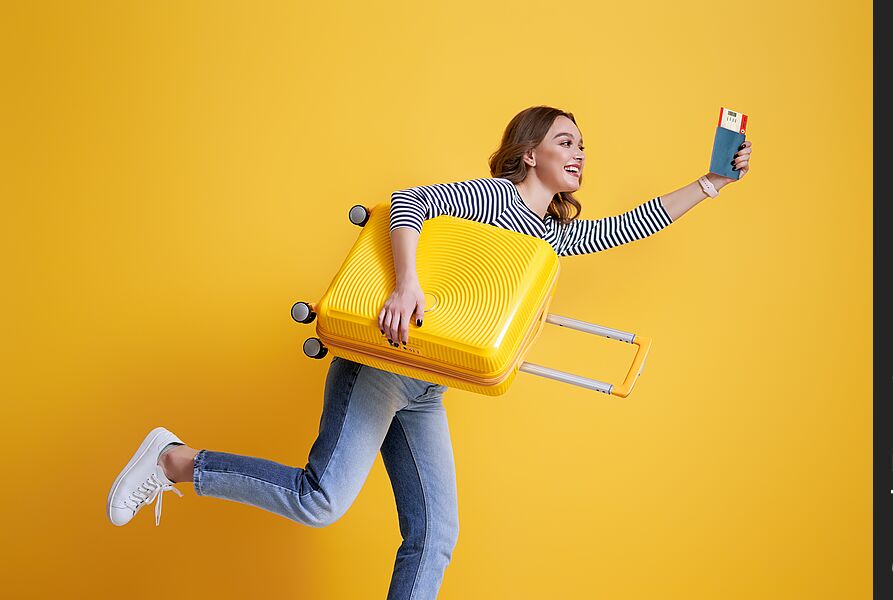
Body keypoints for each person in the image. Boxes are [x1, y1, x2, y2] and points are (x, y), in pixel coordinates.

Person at [106, 105, 752, 600]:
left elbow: (625, 227)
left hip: (426, 383)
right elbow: (411, 201)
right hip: (384, 363)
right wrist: (407, 284)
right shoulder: (497, 198)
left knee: (435, 535)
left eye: (582, 146)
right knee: (321, 500)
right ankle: (175, 460)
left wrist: (710, 182)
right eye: (565, 142)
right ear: (527, 154)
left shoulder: (547, 236)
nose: (579, 154)